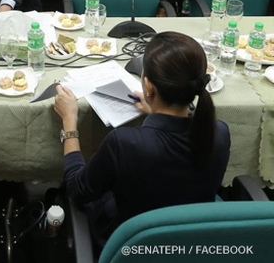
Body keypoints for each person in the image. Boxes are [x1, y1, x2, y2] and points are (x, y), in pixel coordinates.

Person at [54, 32, 230, 246]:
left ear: (148, 86)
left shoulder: (125, 143)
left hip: (130, 246)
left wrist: (69, 121)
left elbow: (76, 189)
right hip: (192, 243)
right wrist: (155, 109)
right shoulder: (219, 133)